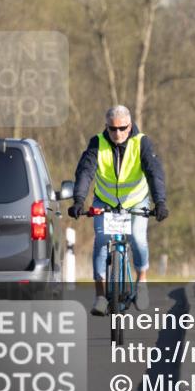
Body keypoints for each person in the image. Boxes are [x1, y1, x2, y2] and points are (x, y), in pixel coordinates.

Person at [68, 105, 169, 315]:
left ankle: (142, 281)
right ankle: (100, 296)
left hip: (135, 201)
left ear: (130, 125)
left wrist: (160, 202)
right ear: (106, 127)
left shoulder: (141, 142)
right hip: (105, 201)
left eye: (122, 128)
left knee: (138, 238)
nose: (117, 133)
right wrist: (78, 200)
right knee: (102, 240)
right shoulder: (98, 142)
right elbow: (86, 172)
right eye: (112, 129)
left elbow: (154, 173)